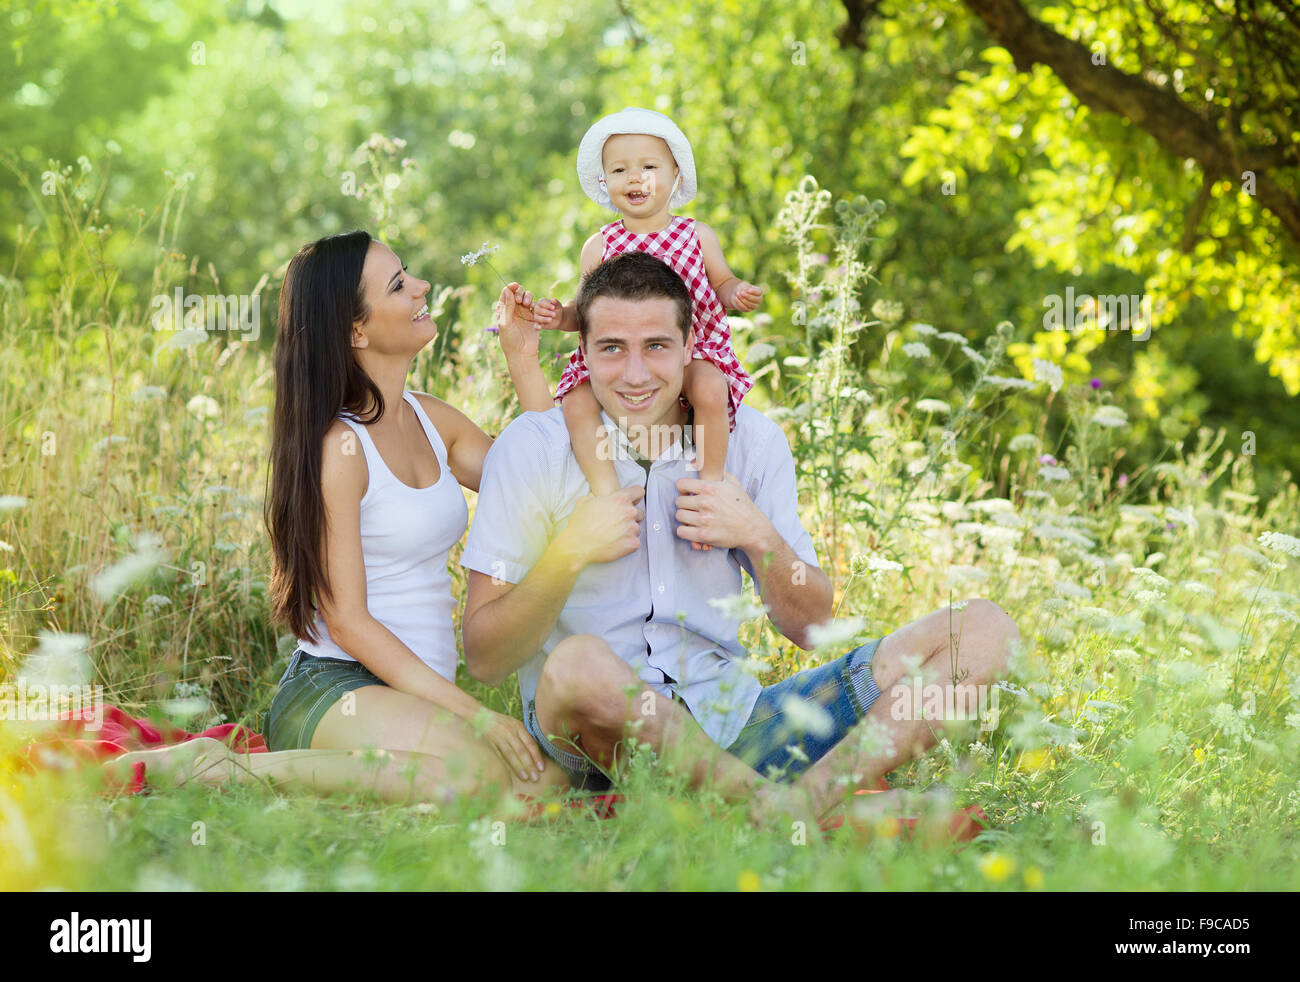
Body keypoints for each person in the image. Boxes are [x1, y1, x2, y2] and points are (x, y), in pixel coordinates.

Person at [461, 250, 1020, 827]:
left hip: (738, 723)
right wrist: (569, 552)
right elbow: (484, 656)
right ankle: (791, 813)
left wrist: (759, 536)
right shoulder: (533, 447)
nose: (634, 374)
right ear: (582, 353)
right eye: (611, 349)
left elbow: (814, 626)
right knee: (577, 664)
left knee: (982, 629)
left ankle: (801, 803)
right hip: (594, 737)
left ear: (689, 347)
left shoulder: (750, 441)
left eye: (655, 346)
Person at [114, 230, 573, 808]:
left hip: (413, 697)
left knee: (549, 788)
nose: (423, 287)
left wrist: (523, 359)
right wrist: (479, 717)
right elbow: (348, 623)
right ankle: (220, 767)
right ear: (355, 329)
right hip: (336, 690)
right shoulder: (339, 448)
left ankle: (342, 773)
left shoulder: (432, 420)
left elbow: (542, 485)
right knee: (474, 781)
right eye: (399, 284)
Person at [533, 107, 760, 552]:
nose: (635, 179)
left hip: (692, 351)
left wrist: (736, 293)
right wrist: (559, 316)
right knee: (576, 403)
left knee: (710, 391)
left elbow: (722, 281)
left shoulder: (697, 235)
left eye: (649, 167)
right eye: (619, 170)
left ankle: (709, 490)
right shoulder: (600, 245)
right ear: (604, 181)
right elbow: (585, 310)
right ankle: (607, 494)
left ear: (676, 175)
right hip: (621, 355)